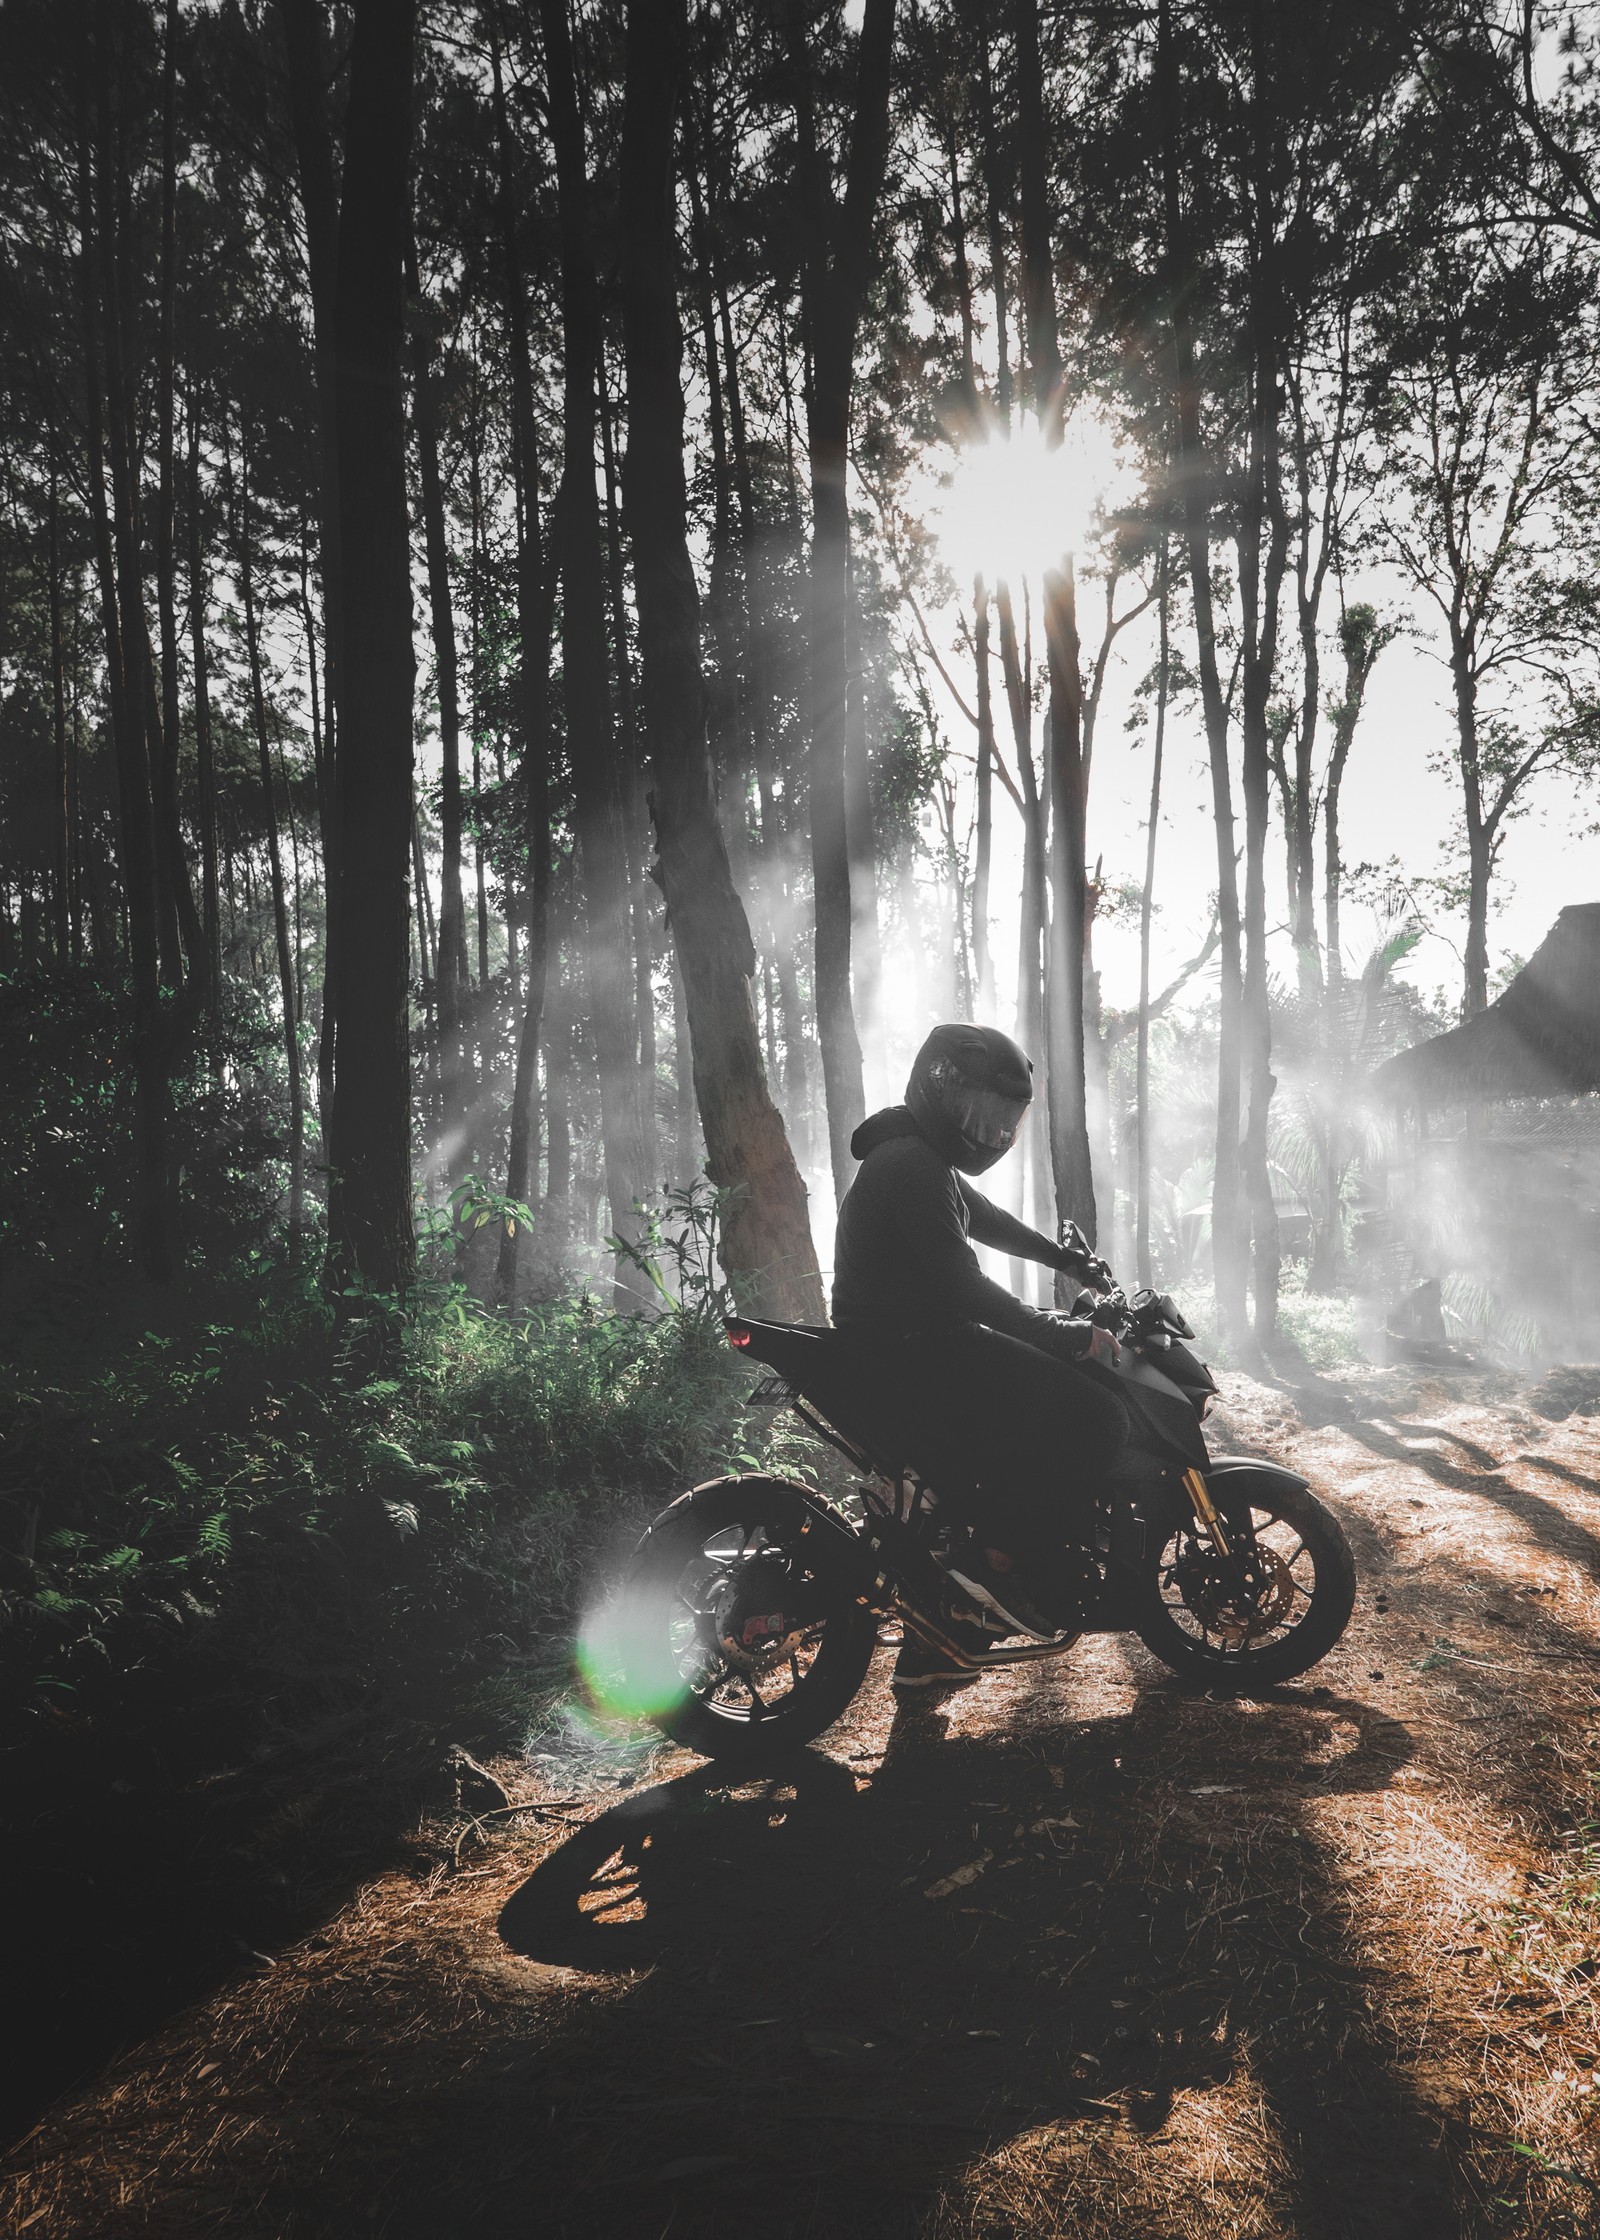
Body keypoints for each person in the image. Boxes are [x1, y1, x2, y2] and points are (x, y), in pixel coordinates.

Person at [832, 1023, 1128, 1691]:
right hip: (912, 1349)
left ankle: (940, 1642)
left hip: (904, 1345)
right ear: (940, 1093)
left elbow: (985, 1217)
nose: (993, 1133)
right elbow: (961, 1286)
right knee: (1097, 1416)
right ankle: (997, 1560)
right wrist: (1061, 1335)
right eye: (982, 1113)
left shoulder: (918, 1158)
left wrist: (1062, 1258)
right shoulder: (910, 1165)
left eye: (1005, 1119)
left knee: (1002, 1445)